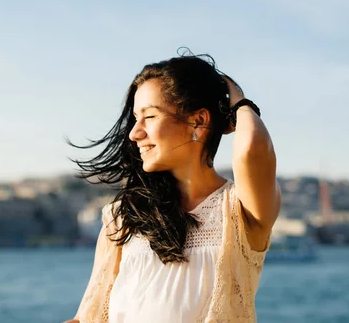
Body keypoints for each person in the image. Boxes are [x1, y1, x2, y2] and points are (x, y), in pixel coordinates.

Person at [64, 49, 281, 323]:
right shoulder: (123, 216)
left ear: (198, 120)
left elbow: (252, 149)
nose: (134, 132)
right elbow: (87, 318)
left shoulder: (239, 211)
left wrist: (239, 103)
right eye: (135, 118)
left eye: (150, 116)